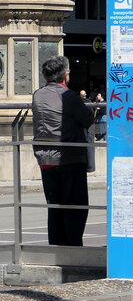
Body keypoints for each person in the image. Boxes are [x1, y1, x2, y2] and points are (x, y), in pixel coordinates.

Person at [32, 56, 94, 246]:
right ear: (65, 75)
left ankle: (56, 247)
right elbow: (87, 119)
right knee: (76, 207)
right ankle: (73, 247)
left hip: (45, 159)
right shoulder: (68, 96)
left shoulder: (38, 94)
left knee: (55, 207)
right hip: (69, 157)